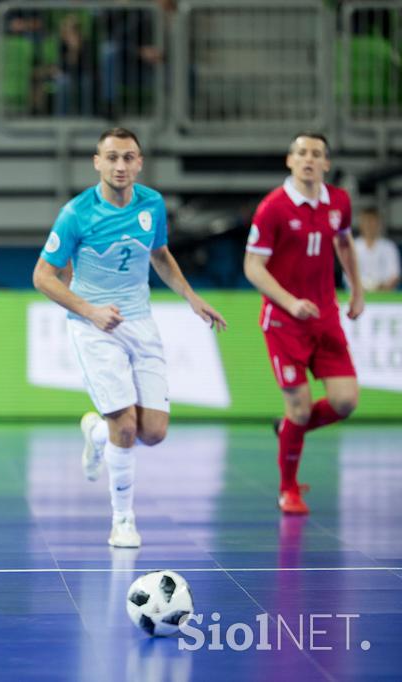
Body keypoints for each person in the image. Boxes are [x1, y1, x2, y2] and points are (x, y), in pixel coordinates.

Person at [32, 127, 226, 548]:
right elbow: (43, 276)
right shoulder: (76, 213)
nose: (121, 166)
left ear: (139, 162)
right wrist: (90, 311)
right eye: (112, 157)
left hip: (141, 323)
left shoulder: (152, 204)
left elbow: (159, 254)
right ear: (97, 162)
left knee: (153, 432)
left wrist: (191, 297)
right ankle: (123, 521)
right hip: (94, 327)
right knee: (125, 425)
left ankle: (95, 432)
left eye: (129, 158)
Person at [244, 132, 363, 515]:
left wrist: (356, 290)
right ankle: (288, 488)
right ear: (289, 160)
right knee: (299, 407)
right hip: (283, 322)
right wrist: (290, 302)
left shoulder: (339, 202)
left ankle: (289, 431)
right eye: (301, 153)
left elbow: (343, 244)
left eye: (317, 154)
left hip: (325, 319)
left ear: (326, 164)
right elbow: (252, 266)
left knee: (345, 402)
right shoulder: (273, 208)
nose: (309, 159)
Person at [353, 207, 399, 292]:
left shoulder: (389, 247)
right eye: (366, 221)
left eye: (372, 221)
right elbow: (348, 275)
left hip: (385, 294)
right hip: (359, 294)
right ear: (361, 224)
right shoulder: (353, 246)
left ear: (379, 224)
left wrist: (383, 288)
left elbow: (394, 275)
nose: (369, 225)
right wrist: (361, 288)